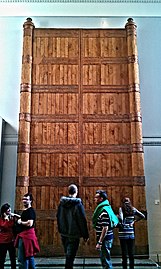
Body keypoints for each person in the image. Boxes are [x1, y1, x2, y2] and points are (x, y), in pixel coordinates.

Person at [57, 184, 89, 269]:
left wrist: (61, 229)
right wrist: (85, 234)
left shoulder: (61, 204)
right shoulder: (78, 205)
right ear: (76, 192)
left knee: (68, 255)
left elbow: (58, 216)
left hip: (64, 233)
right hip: (74, 234)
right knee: (70, 257)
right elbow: (82, 220)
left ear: (68, 191)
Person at [14, 193, 40, 269]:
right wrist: (18, 217)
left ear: (31, 201)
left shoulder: (30, 211)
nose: (24, 201)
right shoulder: (27, 211)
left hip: (26, 237)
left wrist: (19, 222)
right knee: (29, 257)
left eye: (26, 199)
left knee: (22, 259)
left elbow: (29, 223)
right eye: (23, 199)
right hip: (26, 236)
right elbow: (27, 219)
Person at [118, 197, 145, 269]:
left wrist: (117, 217)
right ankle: (132, 267)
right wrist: (133, 222)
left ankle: (125, 267)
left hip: (123, 233)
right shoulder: (133, 209)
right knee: (131, 252)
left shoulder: (121, 209)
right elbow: (142, 216)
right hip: (131, 233)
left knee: (124, 253)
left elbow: (121, 218)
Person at [92, 190, 115, 269]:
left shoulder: (104, 211)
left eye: (96, 197)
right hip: (106, 238)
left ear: (101, 199)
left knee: (106, 261)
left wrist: (100, 242)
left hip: (105, 239)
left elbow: (105, 228)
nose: (94, 199)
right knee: (105, 259)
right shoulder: (104, 208)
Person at [0, 202, 20, 269]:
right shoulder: (1, 219)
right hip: (3, 241)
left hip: (11, 240)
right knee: (2, 257)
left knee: (13, 257)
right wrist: (6, 218)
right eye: (8, 210)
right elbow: (4, 226)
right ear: (4, 211)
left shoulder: (11, 218)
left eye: (10, 210)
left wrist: (15, 215)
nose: (9, 212)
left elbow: (19, 218)